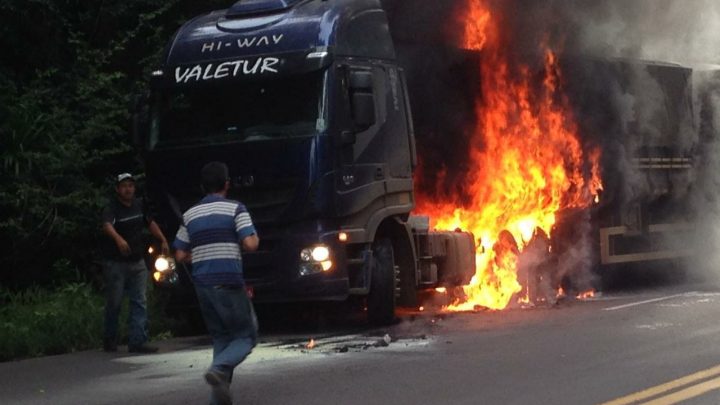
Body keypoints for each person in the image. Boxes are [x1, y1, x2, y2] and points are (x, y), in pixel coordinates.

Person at [173, 162, 259, 405]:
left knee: (221, 338)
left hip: (202, 285)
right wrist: (251, 238)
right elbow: (251, 244)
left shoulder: (190, 214)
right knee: (246, 336)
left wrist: (200, 254)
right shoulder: (235, 209)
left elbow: (179, 255)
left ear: (203, 186)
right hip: (228, 281)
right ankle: (220, 368)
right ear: (227, 184)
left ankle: (217, 401)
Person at [101, 172, 168, 353]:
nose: (128, 189)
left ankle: (138, 340)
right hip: (116, 263)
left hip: (137, 261)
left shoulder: (139, 205)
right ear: (117, 189)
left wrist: (162, 238)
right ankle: (110, 338)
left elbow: (150, 222)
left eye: (130, 185)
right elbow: (107, 225)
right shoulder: (112, 208)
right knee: (114, 303)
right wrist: (118, 239)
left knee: (140, 300)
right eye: (124, 186)